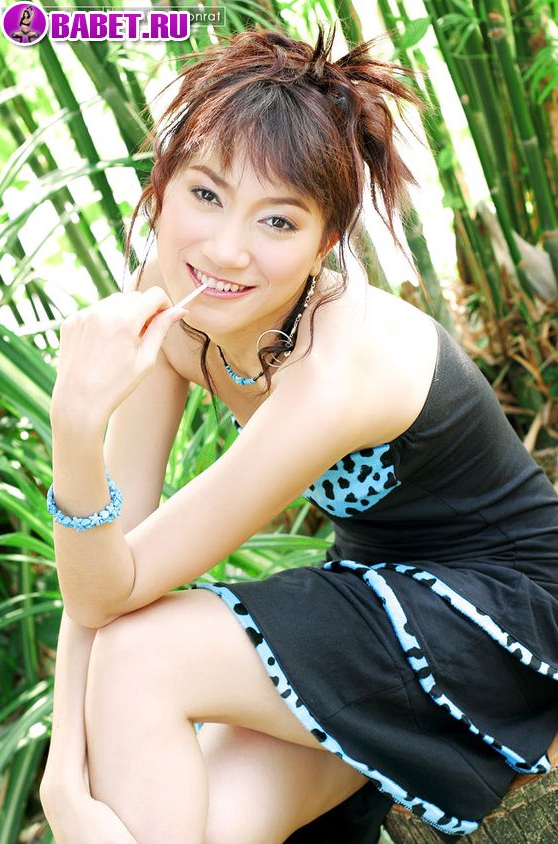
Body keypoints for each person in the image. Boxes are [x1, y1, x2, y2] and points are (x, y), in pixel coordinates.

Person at [39, 24, 558, 844]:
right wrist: (63, 774)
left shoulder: (336, 367)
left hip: (496, 615)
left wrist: (76, 424)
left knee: (145, 657)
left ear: (326, 243)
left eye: (278, 222)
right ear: (161, 185)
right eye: (206, 195)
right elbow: (100, 567)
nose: (226, 250)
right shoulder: (166, 303)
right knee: (198, 826)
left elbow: (116, 591)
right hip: (372, 603)